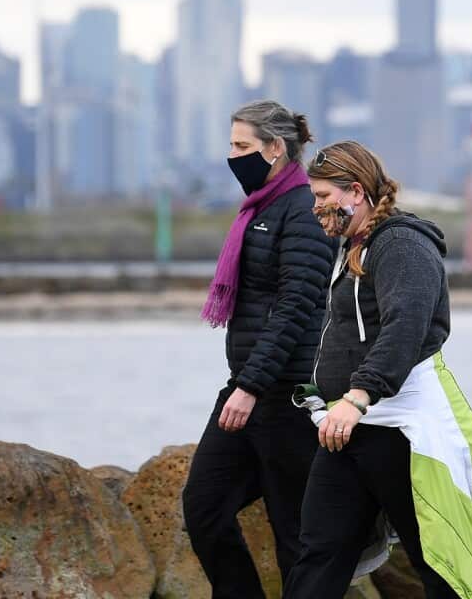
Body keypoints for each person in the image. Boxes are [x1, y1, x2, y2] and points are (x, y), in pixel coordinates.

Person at [282, 140, 472, 599]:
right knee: (318, 554)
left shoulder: (401, 243)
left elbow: (406, 325)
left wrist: (358, 396)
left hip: (403, 435)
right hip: (347, 431)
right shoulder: (356, 245)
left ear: (355, 191)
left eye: (321, 197)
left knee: (436, 562)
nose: (315, 208)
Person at [181, 100, 336, 598]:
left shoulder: (305, 209)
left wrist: (248, 386)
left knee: (294, 536)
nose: (233, 156)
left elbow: (297, 304)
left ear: (275, 149)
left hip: (287, 395)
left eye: (242, 146)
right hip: (249, 386)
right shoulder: (260, 208)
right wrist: (245, 384)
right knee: (203, 507)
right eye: (231, 145)